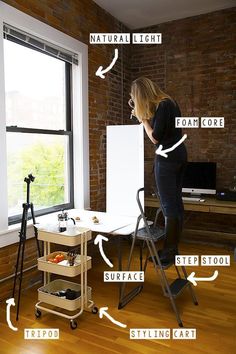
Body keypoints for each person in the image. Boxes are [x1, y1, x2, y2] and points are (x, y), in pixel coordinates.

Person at [129, 77, 187, 262]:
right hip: (179, 156)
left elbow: (155, 138)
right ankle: (173, 250)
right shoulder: (171, 103)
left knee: (169, 206)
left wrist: (143, 120)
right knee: (176, 204)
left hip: (167, 159)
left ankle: (168, 254)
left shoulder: (163, 106)